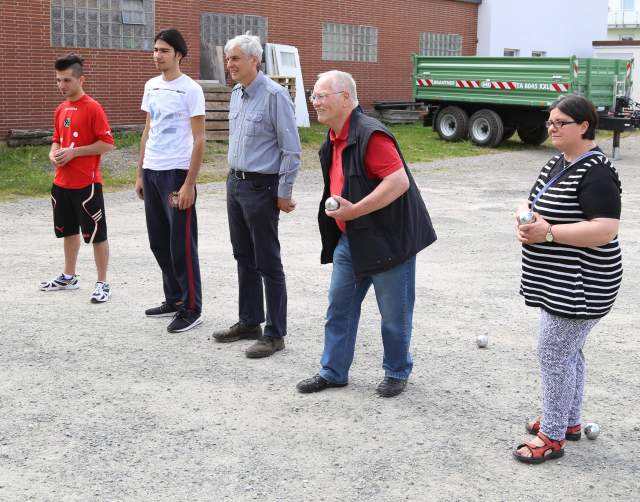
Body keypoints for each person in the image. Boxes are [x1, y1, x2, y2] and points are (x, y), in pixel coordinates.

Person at [296, 70, 437, 397]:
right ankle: (332, 372)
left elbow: (398, 182)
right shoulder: (332, 139)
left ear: (346, 97)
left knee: (393, 315)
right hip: (352, 240)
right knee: (339, 307)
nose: (315, 102)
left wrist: (354, 211)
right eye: (313, 95)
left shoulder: (372, 135)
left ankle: (396, 371)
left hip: (389, 241)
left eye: (321, 95)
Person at [513, 94, 622, 464]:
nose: (551, 127)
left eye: (560, 122)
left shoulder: (597, 171)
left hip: (584, 283)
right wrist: (525, 218)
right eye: (550, 121)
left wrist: (547, 234)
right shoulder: (558, 162)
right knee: (567, 351)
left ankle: (553, 437)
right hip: (558, 281)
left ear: (584, 126)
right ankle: (569, 421)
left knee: (553, 353)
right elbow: (538, 204)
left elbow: (605, 230)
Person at [211, 33, 301, 358]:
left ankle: (275, 333)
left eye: (235, 58)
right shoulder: (237, 93)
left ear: (254, 60)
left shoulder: (275, 96)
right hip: (235, 184)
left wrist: (283, 192)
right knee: (243, 256)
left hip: (262, 189)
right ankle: (249, 321)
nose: (229, 64)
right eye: (227, 58)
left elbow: (291, 150)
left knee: (267, 261)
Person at [135, 28, 206, 333]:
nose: (157, 55)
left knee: (182, 245)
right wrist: (140, 172)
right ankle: (174, 298)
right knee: (159, 241)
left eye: (163, 50)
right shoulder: (151, 86)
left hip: (176, 174)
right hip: (152, 171)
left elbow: (200, 139)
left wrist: (189, 183)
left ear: (179, 54)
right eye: (155, 50)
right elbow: (147, 130)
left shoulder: (191, 89)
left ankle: (192, 307)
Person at [40, 53, 114, 303]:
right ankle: (69, 276)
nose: (62, 86)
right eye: (58, 80)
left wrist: (75, 153)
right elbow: (57, 139)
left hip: (87, 184)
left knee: (96, 235)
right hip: (62, 183)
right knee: (68, 231)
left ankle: (103, 283)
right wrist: (54, 153)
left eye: (67, 80)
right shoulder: (60, 109)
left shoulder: (93, 108)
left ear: (81, 79)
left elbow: (107, 143)